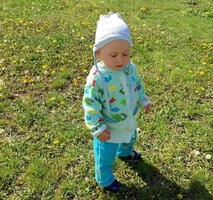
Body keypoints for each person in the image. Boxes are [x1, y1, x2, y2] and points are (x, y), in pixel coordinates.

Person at [82, 12, 151, 192]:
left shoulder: (130, 68)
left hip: (128, 117)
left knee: (130, 137)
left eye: (125, 53)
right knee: (105, 156)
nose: (120, 59)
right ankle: (104, 179)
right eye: (113, 55)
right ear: (98, 53)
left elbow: (137, 85)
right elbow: (90, 104)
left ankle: (125, 152)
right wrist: (98, 127)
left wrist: (143, 99)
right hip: (108, 128)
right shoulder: (97, 78)